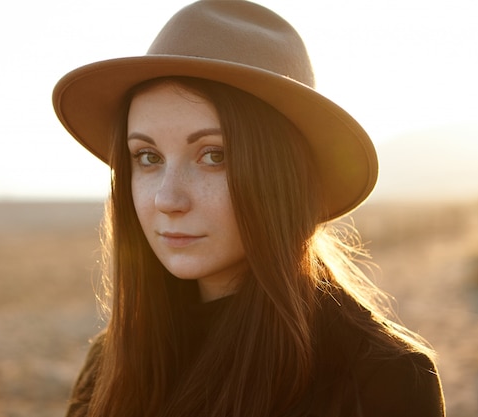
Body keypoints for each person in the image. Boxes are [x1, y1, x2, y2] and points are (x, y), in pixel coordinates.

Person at [52, 1, 445, 416]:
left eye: (214, 155)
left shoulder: (382, 381)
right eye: (148, 157)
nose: (167, 199)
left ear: (283, 175)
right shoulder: (111, 363)